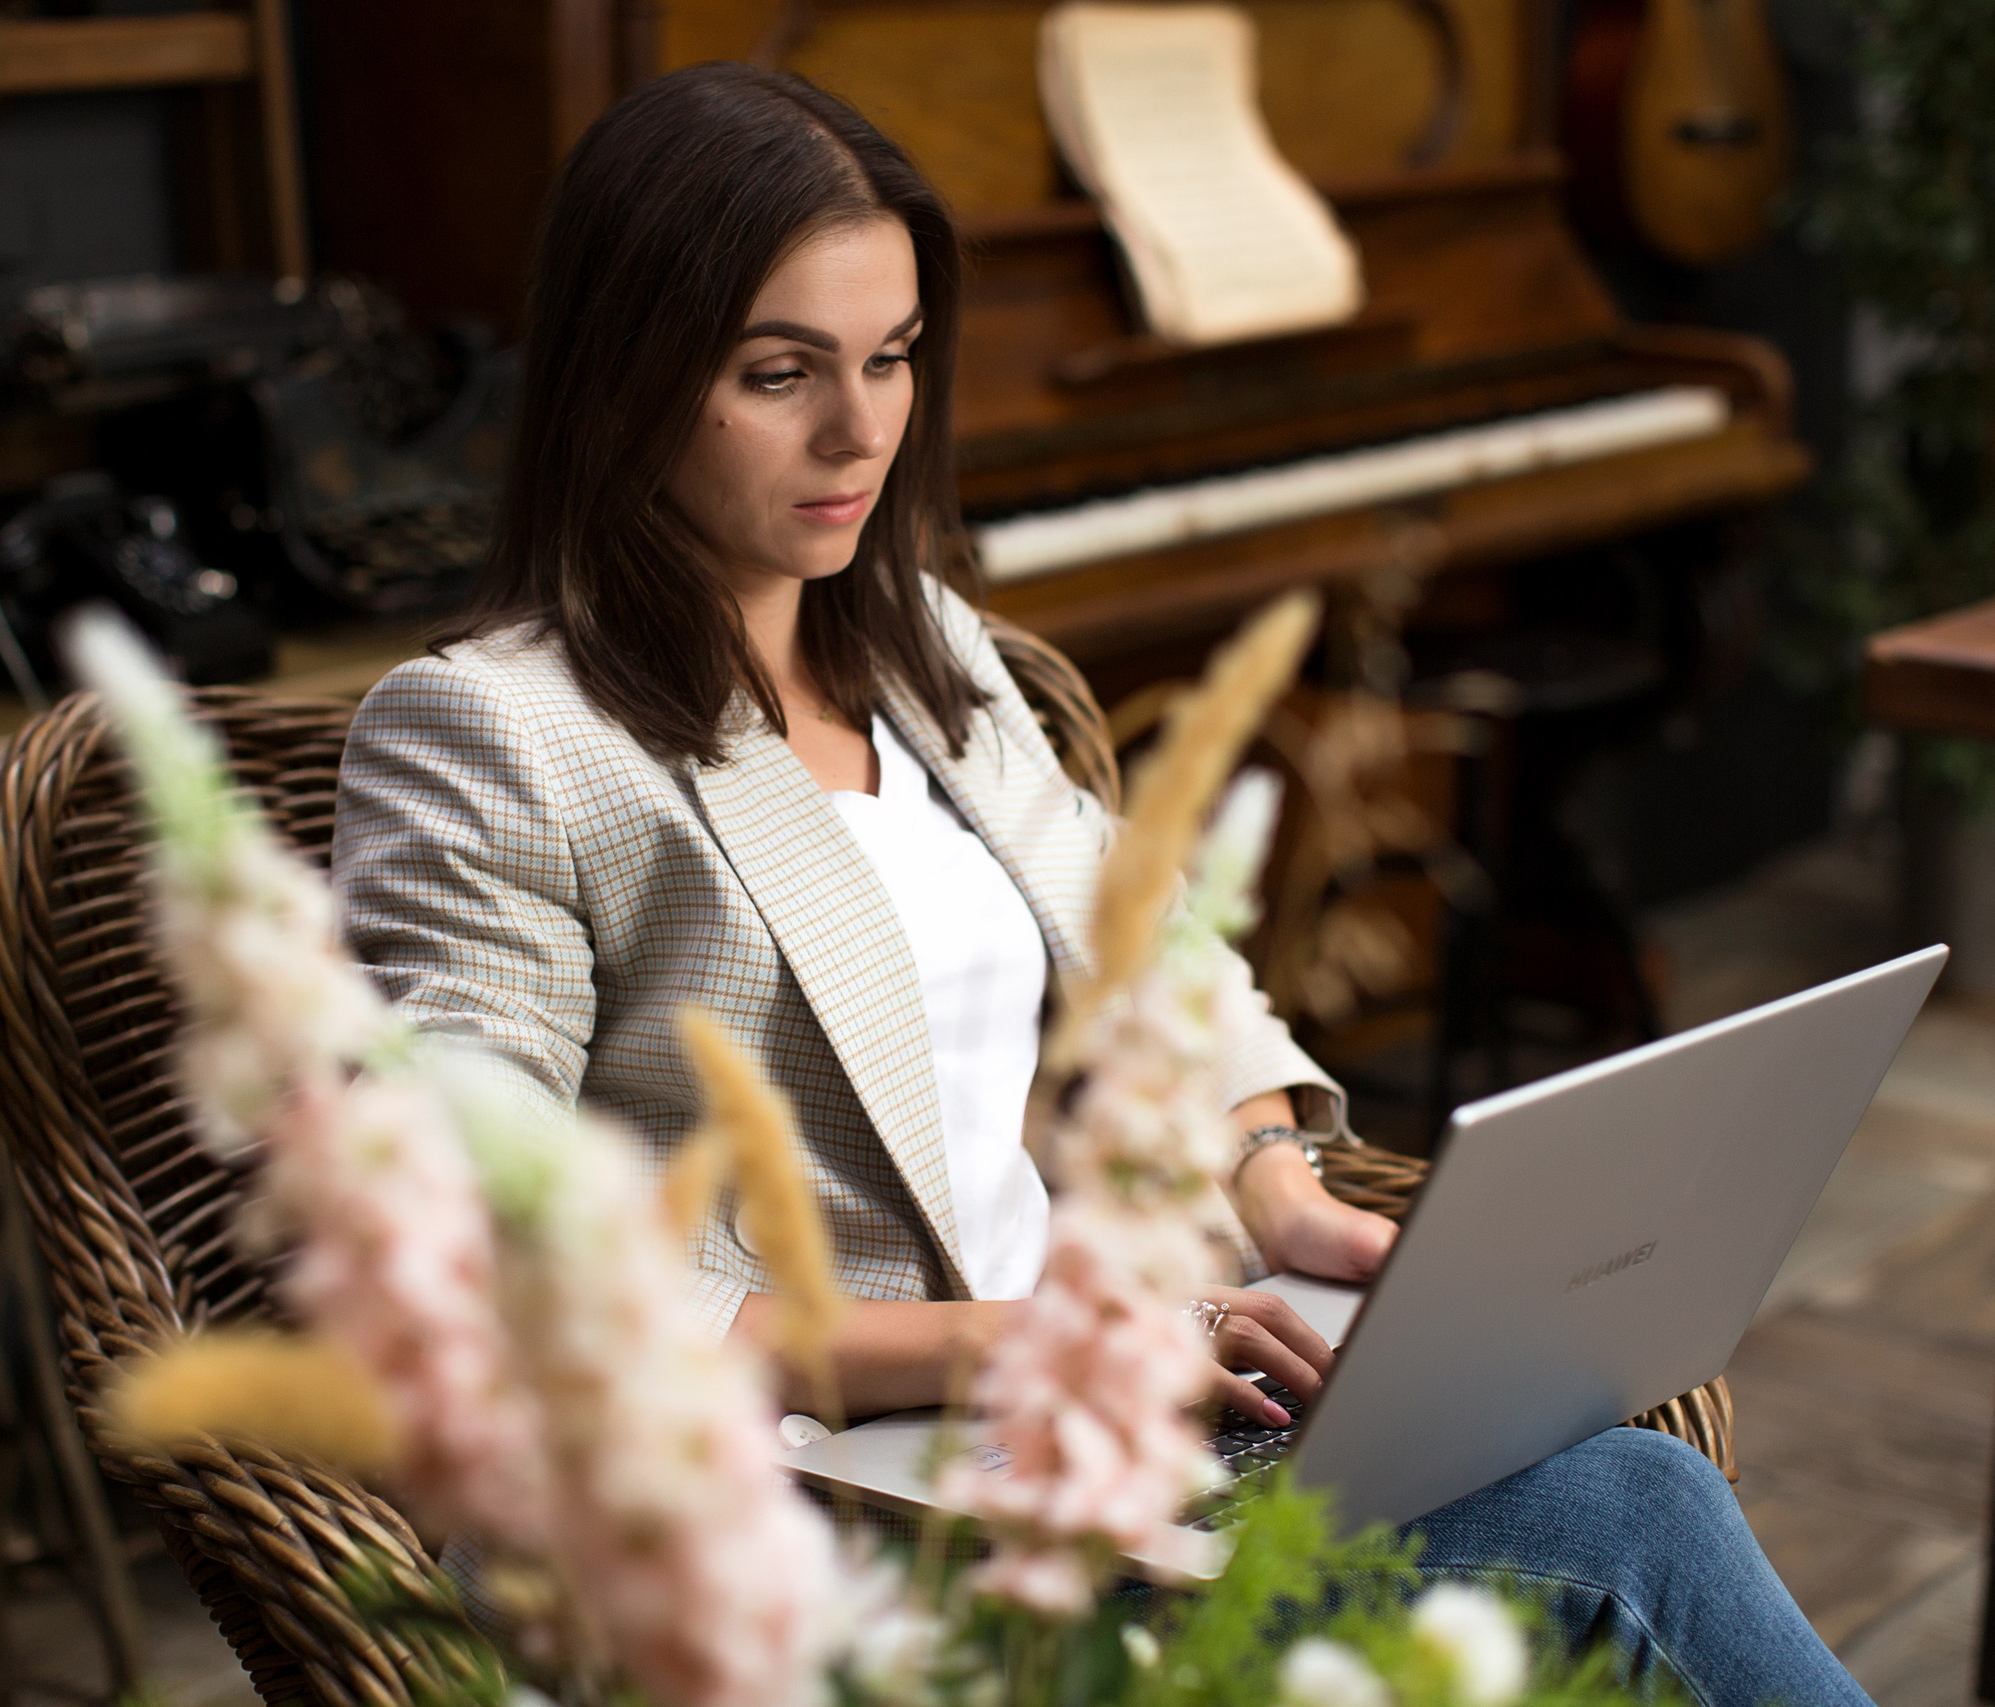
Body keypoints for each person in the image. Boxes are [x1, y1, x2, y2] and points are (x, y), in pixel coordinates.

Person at [331, 61, 1871, 1707]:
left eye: (891, 356)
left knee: (1601, 1488)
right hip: (816, 1511)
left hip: (1100, 1414)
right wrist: (1012, 1347)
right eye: (780, 374)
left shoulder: (919, 647)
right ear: (622, 376)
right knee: (1629, 1526)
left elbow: (1155, 959)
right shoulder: (493, 738)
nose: (859, 430)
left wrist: (1273, 1183)